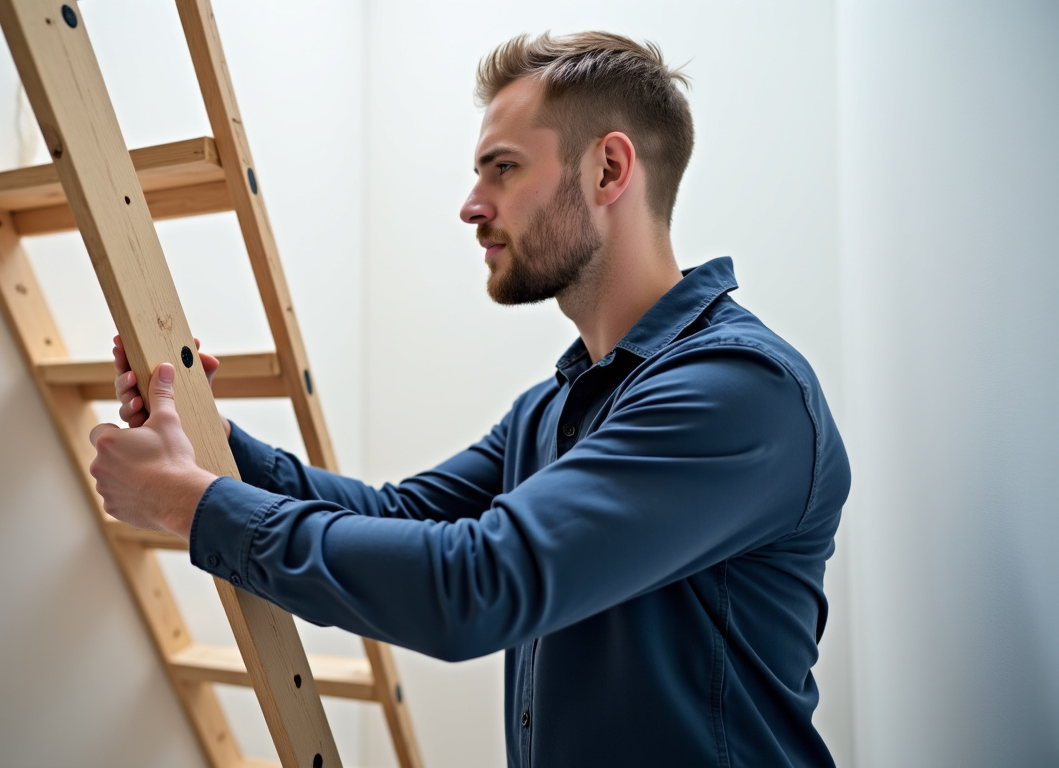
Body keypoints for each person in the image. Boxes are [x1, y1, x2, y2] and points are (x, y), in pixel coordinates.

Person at [88, 31, 850, 768]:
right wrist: (207, 443)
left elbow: (470, 587)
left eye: (504, 168)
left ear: (609, 171)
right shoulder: (552, 411)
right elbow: (392, 518)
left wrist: (190, 504)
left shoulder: (736, 393)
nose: (471, 205)